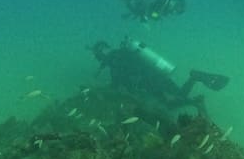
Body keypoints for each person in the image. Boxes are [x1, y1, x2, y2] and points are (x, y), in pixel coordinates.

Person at [91, 38, 229, 116]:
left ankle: (194, 79)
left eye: (98, 56)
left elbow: (116, 85)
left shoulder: (114, 61)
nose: (99, 59)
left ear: (101, 53)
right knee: (179, 95)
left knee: (170, 105)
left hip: (150, 81)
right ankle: (195, 81)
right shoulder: (124, 52)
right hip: (156, 73)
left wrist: (98, 91)